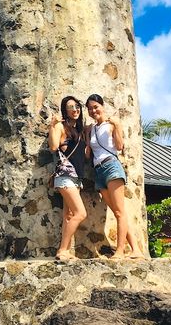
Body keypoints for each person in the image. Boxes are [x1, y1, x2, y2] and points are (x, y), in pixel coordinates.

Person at [85, 93, 145, 259]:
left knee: (119, 212)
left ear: (102, 106)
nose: (93, 110)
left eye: (95, 107)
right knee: (118, 212)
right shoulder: (91, 129)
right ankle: (136, 249)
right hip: (99, 171)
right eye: (90, 109)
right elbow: (89, 152)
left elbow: (119, 146)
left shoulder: (111, 124)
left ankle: (120, 251)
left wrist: (117, 126)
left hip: (112, 166)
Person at [48, 96, 88, 260]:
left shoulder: (79, 131)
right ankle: (62, 250)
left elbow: (84, 156)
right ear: (65, 110)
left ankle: (66, 252)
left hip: (76, 178)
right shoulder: (60, 126)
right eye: (71, 107)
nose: (75, 109)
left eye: (77, 106)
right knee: (80, 213)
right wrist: (52, 125)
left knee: (69, 216)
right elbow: (53, 146)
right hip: (65, 176)